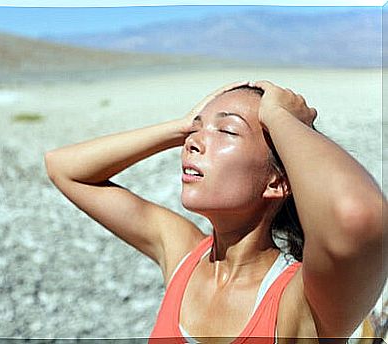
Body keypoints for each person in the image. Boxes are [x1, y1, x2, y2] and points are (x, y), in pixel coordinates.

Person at [45, 80, 387, 343]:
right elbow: (64, 168)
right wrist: (181, 126)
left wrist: (282, 118)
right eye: (195, 132)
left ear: (276, 182)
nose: (193, 143)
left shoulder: (303, 301)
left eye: (227, 130)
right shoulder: (183, 256)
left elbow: (356, 215)